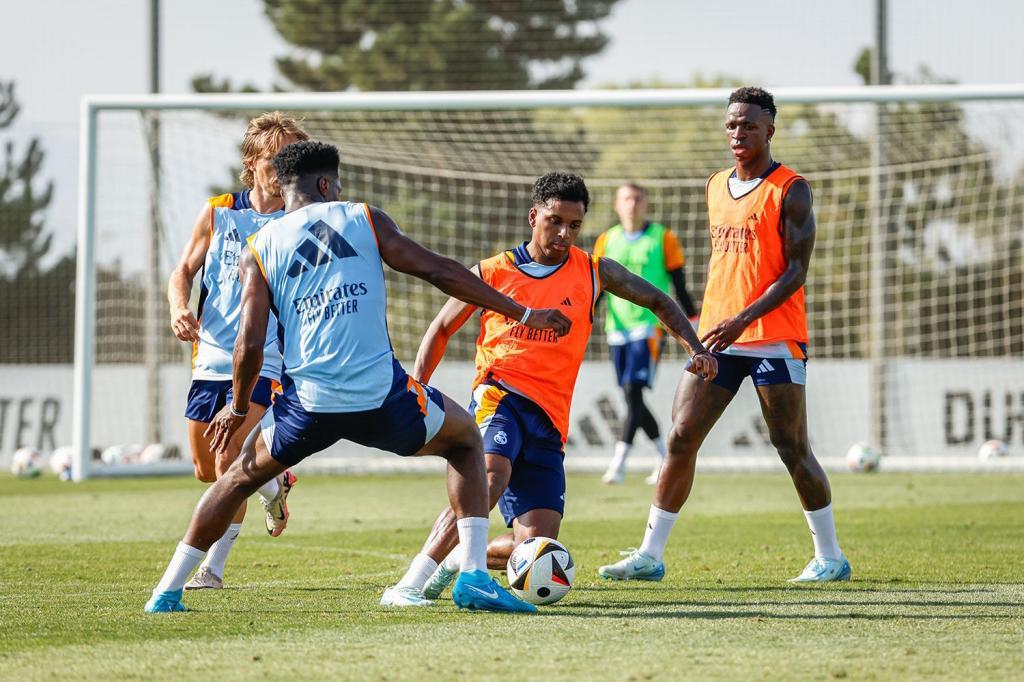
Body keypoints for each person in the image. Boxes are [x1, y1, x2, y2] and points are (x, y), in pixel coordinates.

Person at [145, 141, 572, 614]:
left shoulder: (258, 248)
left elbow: (248, 342)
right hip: (380, 398)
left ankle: (166, 592)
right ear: (325, 184)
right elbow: (438, 270)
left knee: (234, 481)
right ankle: (472, 576)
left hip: (306, 407)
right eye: (338, 183)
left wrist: (239, 406)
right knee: (467, 439)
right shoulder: (363, 218)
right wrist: (523, 311)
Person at [379, 172, 717, 607]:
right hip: (499, 396)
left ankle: (461, 556)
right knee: (488, 479)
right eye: (555, 221)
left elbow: (658, 299)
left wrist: (695, 347)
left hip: (550, 419)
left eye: (574, 225)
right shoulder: (493, 271)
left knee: (536, 548)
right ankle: (409, 584)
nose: (564, 234)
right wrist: (419, 388)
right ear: (533, 217)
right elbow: (441, 328)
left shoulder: (594, 271)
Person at [598, 87, 851, 584]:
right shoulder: (715, 185)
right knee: (680, 436)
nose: (738, 133)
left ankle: (830, 556)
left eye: (749, 125)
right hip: (717, 337)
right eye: (732, 125)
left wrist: (743, 318)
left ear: (769, 130)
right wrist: (717, 325)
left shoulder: (792, 189)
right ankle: (650, 555)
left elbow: (795, 272)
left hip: (774, 336)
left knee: (790, 446)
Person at [166, 112, 308, 590]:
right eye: (275, 159)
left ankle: (213, 568)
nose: (284, 169)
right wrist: (178, 307)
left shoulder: (299, 220)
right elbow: (183, 270)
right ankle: (274, 482)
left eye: (292, 159)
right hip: (208, 359)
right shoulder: (218, 211)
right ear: (252, 163)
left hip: (266, 361)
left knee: (227, 464)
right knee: (205, 469)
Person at [594, 183, 699, 485]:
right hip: (617, 328)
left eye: (638, 198)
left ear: (646, 204)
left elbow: (679, 284)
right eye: (626, 199)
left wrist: (693, 321)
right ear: (617, 205)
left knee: (633, 390)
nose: (632, 204)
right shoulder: (606, 240)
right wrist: (585, 316)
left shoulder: (663, 238)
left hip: (650, 326)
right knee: (632, 397)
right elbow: (599, 287)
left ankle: (619, 462)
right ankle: (665, 456)